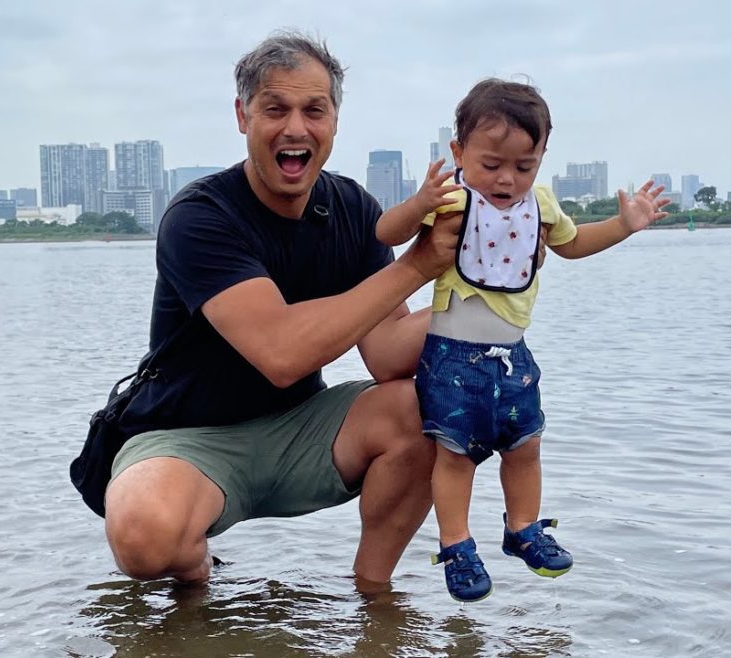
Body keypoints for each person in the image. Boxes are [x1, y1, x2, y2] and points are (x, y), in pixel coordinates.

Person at [97, 31, 464, 590]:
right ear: (243, 116)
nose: (296, 128)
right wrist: (415, 266)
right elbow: (281, 354)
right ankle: (192, 570)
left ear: (334, 121)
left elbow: (389, 357)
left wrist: (484, 294)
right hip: (187, 437)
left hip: (300, 433)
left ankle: (374, 595)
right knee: (144, 535)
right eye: (276, 109)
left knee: (426, 402)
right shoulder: (200, 216)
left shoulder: (352, 211)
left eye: (314, 110)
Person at [374, 78, 670, 602]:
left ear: (541, 160)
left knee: (526, 446)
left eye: (524, 166)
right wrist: (418, 201)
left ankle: (523, 528)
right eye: (491, 165)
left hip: (513, 358)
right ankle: (457, 545)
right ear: (459, 153)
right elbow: (386, 234)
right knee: (455, 456)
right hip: (451, 358)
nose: (507, 179)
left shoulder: (542, 205)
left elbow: (574, 245)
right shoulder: (451, 202)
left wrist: (624, 226)